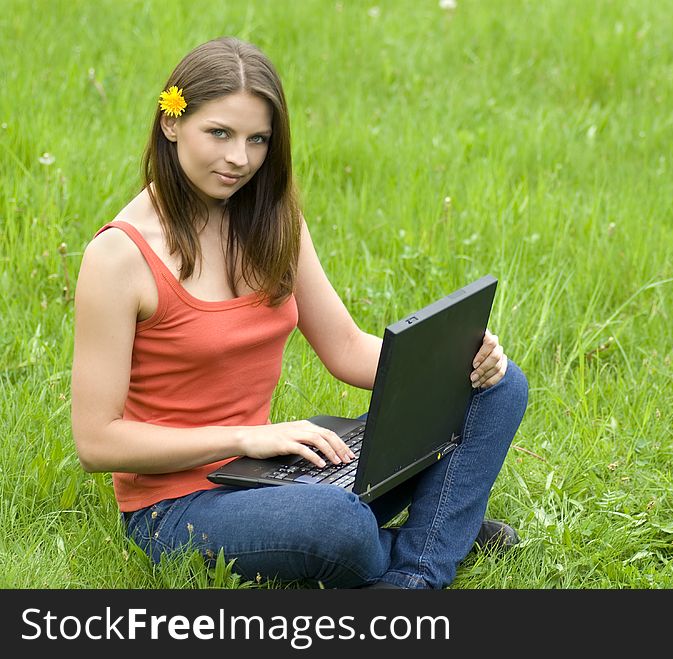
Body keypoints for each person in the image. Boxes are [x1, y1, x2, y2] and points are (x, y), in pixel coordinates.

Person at [70, 36, 529, 590]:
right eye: (219, 133)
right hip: (177, 507)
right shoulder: (118, 258)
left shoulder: (273, 222)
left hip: (270, 474)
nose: (239, 158)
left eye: (257, 139)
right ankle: (440, 533)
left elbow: (347, 351)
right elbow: (97, 441)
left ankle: (415, 572)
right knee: (340, 525)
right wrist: (243, 438)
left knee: (499, 387)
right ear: (172, 123)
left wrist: (456, 361)